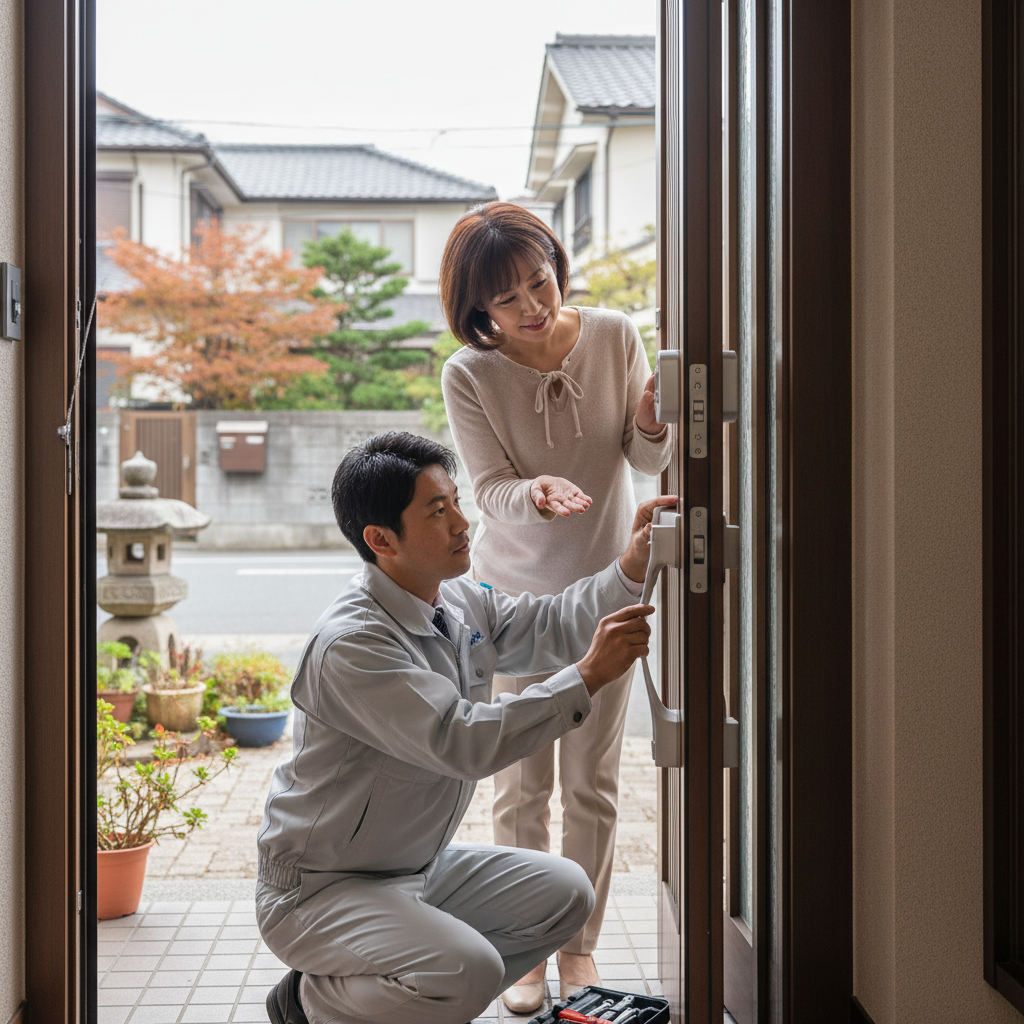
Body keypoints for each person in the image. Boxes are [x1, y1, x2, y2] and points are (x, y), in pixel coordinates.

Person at [256, 430, 675, 1024]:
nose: (463, 522)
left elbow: (549, 624)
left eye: (456, 500)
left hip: (414, 867)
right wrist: (585, 677)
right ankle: (309, 1001)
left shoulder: (454, 598)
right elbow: (462, 741)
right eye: (437, 510)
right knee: (467, 969)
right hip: (321, 889)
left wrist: (630, 565)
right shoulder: (353, 645)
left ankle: (404, 990)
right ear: (381, 540)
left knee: (568, 894)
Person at [439, 202, 672, 1008]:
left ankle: (581, 950)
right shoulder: (469, 373)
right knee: (521, 788)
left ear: (555, 268)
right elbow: (489, 490)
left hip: (609, 592)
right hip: (516, 610)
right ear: (478, 311)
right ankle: (525, 951)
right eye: (508, 300)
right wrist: (534, 490)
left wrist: (648, 418)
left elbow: (646, 454)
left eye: (540, 282)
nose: (534, 306)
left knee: (590, 786)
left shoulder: (612, 335)